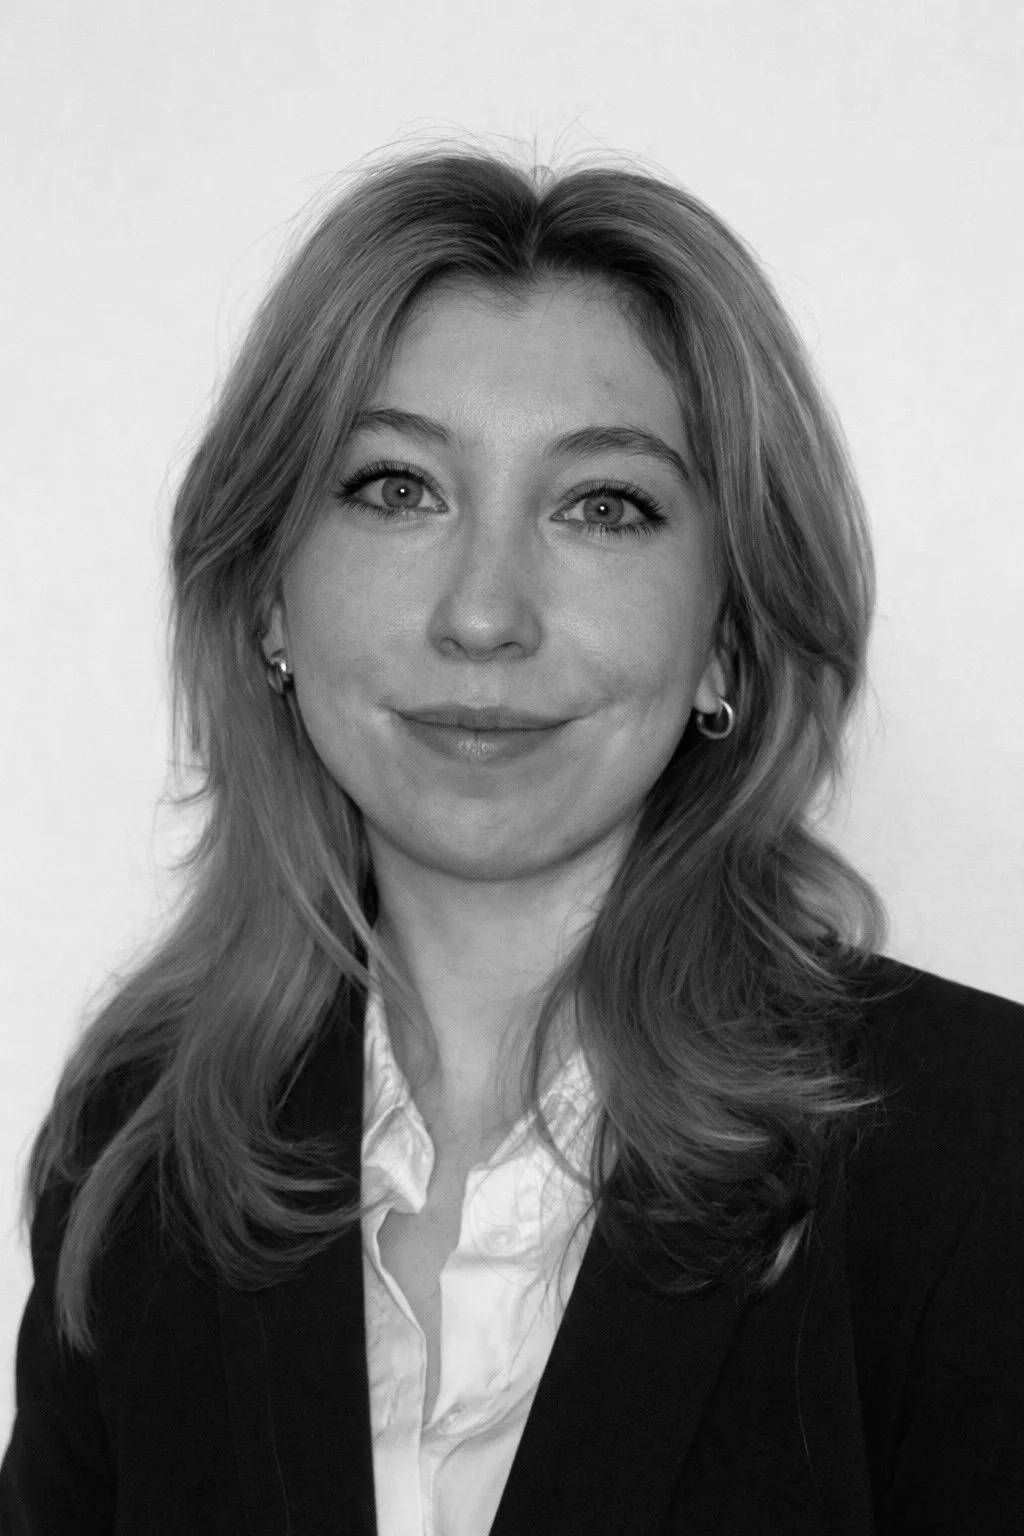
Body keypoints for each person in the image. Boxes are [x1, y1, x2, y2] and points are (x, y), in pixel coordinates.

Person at [2, 139, 1022, 1536]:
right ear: (268, 601)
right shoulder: (138, 1146)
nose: (484, 614)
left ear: (728, 633)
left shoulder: (982, 1158)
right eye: (396, 488)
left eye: (602, 507)